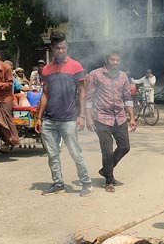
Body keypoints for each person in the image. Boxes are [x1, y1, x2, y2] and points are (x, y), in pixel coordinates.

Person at [34, 31, 92, 197]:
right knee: (52, 155)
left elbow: (82, 91)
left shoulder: (76, 66)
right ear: (52, 48)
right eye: (58, 48)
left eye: (64, 47)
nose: (61, 50)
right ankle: (58, 184)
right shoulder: (46, 69)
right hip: (49, 120)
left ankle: (86, 183)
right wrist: (39, 118)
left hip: (68, 119)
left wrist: (80, 116)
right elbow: (45, 94)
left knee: (75, 152)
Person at [85, 51, 137, 193]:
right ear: (106, 60)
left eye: (117, 60)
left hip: (120, 117)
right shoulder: (95, 75)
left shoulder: (123, 76)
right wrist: (88, 118)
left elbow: (127, 97)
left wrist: (131, 117)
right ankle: (109, 180)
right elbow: (88, 98)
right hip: (101, 118)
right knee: (107, 150)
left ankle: (105, 169)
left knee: (125, 146)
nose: (115, 62)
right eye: (112, 60)